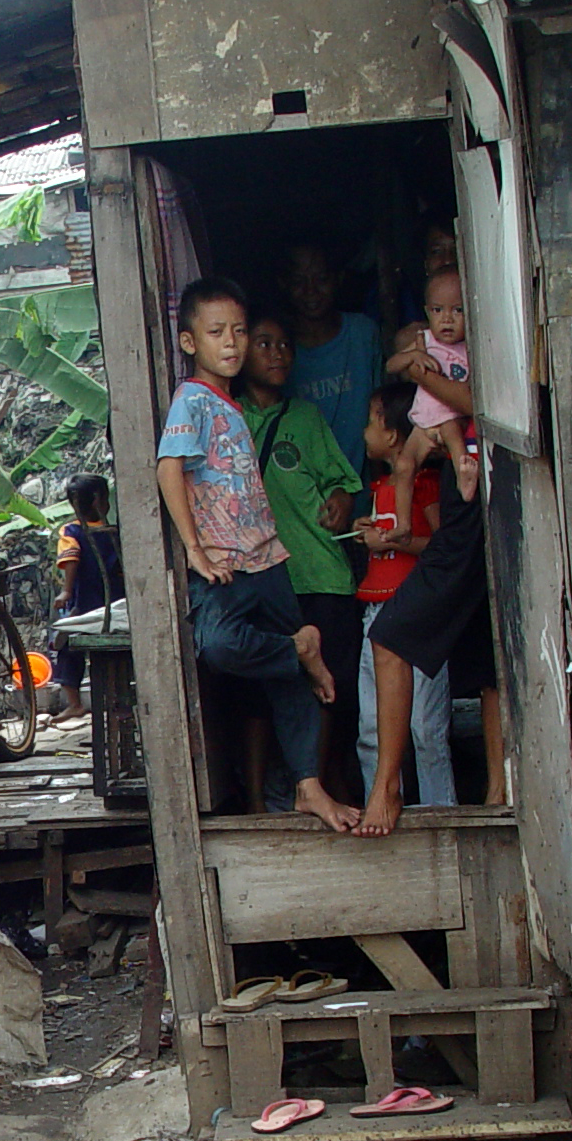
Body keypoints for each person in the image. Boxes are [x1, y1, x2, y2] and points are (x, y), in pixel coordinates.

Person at [156, 276, 357, 833]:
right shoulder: (191, 399)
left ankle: (307, 788)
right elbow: (168, 467)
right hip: (225, 564)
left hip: (268, 558)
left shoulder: (232, 404)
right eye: (217, 332)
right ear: (190, 342)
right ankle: (299, 646)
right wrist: (195, 550)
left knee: (292, 689)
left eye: (239, 331)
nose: (232, 343)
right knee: (219, 646)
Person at [240, 313, 363, 800]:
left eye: (285, 344)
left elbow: (340, 480)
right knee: (256, 696)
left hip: (320, 572)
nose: (276, 353)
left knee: (326, 690)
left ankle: (315, 790)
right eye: (264, 343)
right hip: (263, 576)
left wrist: (342, 501)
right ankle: (252, 801)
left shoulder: (305, 418)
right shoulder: (228, 417)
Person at [359, 442, 503, 837]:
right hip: (480, 483)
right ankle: (498, 792)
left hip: (477, 487)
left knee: (389, 636)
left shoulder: (431, 466)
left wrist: (418, 374)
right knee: (492, 659)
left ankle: (388, 788)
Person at [354, 383, 455, 809]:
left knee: (425, 728)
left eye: (370, 422)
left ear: (392, 435)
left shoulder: (427, 485)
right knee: (371, 729)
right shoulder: (381, 486)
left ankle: (441, 813)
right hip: (375, 613)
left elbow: (442, 544)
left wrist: (392, 543)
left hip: (418, 614)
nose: (363, 432)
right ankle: (379, 801)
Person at [280, 242, 383, 469]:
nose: (311, 290)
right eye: (299, 281)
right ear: (284, 284)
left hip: (365, 489)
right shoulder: (277, 350)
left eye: (321, 278)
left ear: (338, 279)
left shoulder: (363, 334)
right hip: (302, 495)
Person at [49, 473, 123, 724]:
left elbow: (70, 560)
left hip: (84, 605)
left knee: (67, 648)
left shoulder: (71, 531)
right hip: (114, 605)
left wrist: (66, 592)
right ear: (100, 500)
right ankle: (112, 698)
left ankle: (75, 703)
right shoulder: (116, 532)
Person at [388, 266, 472, 463]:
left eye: (458, 310)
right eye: (438, 310)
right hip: (424, 420)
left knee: (453, 436)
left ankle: (463, 476)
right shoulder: (425, 341)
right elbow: (391, 366)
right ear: (427, 312)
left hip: (452, 418)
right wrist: (413, 356)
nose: (447, 319)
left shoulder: (472, 348)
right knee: (404, 465)